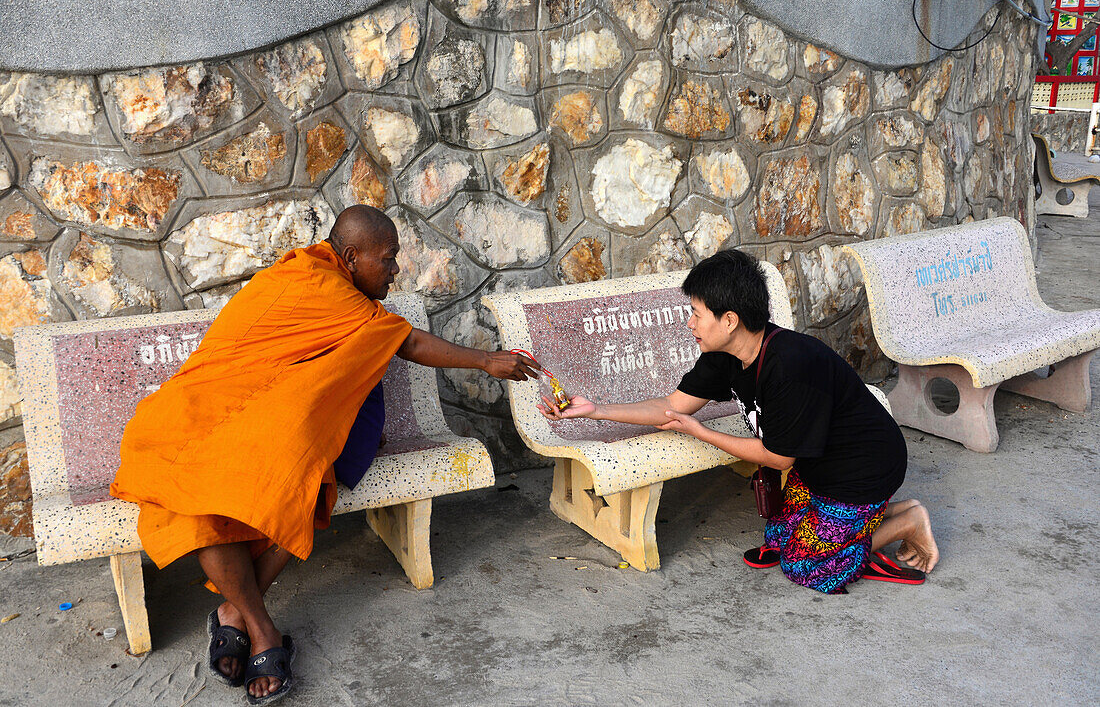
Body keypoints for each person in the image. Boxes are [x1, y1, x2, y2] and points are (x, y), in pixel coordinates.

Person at [110, 205, 539, 703]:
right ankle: (261, 627)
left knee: (305, 479)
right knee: (199, 499)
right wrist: (488, 360)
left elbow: (393, 346)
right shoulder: (305, 280)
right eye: (389, 258)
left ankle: (234, 615)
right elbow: (252, 361)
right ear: (351, 257)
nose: (396, 270)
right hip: (219, 406)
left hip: (312, 417)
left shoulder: (355, 305)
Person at [538, 249, 939, 595]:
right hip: (819, 471)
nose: (690, 323)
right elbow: (670, 406)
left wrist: (702, 432)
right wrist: (595, 410)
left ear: (729, 319)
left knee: (808, 567)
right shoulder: (724, 355)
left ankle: (907, 521)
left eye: (696, 313)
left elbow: (779, 459)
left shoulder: (791, 365)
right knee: (779, 538)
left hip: (863, 470)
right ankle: (872, 517)